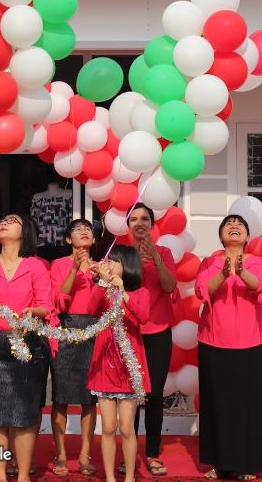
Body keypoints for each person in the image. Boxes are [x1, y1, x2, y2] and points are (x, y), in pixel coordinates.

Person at [0, 214, 52, 482]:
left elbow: (46, 306)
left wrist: (32, 312)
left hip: (27, 343)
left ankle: (24, 475)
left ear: (24, 231)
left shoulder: (35, 266)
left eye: (12, 221)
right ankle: (1, 475)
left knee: (24, 414)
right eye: (1, 220)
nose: (3, 223)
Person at [195, 213, 262, 481]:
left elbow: (259, 286)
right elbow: (202, 291)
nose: (234, 226)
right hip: (213, 341)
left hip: (250, 342)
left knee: (247, 405)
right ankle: (219, 462)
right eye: (229, 224)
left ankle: (247, 464)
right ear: (221, 236)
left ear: (247, 236)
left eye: (239, 224)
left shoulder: (257, 262)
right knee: (217, 403)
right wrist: (223, 273)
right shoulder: (209, 262)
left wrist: (241, 271)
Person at [87, 246, 151, 482]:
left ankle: (130, 477)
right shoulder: (103, 290)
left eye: (114, 261)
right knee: (107, 426)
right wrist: (102, 283)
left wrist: (123, 292)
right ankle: (110, 477)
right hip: (105, 363)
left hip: (129, 365)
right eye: (108, 261)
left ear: (128, 265)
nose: (109, 265)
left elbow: (143, 316)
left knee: (126, 427)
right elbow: (90, 309)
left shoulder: (140, 292)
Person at [128, 202, 176, 477]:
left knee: (154, 395)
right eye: (134, 219)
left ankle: (152, 454)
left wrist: (155, 258)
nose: (139, 223)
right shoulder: (122, 254)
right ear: (128, 225)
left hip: (158, 331)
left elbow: (169, 286)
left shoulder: (165, 252)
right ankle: (129, 455)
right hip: (130, 332)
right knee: (131, 396)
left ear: (152, 224)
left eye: (145, 218)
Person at [49, 218, 97, 477]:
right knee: (61, 396)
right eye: (77, 229)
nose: (83, 232)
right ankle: (60, 454)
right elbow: (59, 301)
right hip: (66, 327)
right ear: (69, 239)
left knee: (90, 398)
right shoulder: (59, 264)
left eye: (88, 229)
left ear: (94, 238)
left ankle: (85, 454)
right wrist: (75, 269)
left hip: (93, 330)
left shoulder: (101, 267)